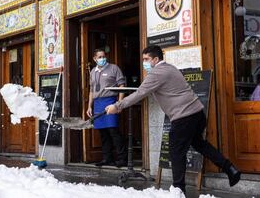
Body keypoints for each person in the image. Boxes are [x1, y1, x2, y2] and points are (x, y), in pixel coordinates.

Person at [105, 45, 241, 193]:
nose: (144, 62)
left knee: (176, 153)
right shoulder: (170, 68)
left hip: (184, 117)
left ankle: (178, 190)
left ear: (156, 59)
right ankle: (230, 168)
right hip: (197, 113)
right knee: (200, 144)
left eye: (146, 59)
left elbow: (140, 93)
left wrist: (117, 106)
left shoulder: (157, 73)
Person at [87, 48, 128, 167]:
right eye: (99, 57)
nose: (102, 59)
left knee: (113, 130)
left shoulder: (114, 68)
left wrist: (119, 103)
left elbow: (121, 85)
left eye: (103, 56)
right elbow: (91, 90)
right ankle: (107, 158)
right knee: (103, 133)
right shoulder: (93, 71)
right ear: (95, 59)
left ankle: (122, 158)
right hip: (98, 103)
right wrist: (89, 106)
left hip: (110, 101)